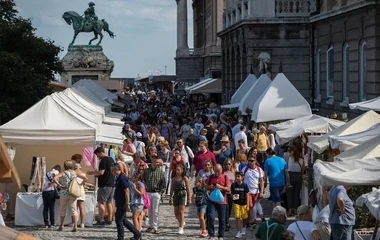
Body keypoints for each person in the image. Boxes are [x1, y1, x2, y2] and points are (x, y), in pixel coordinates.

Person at [112, 163, 142, 240]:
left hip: (123, 202)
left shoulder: (122, 178)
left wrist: (127, 203)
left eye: (112, 170)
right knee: (123, 220)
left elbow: (126, 191)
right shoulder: (119, 178)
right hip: (119, 202)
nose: (112, 172)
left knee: (119, 221)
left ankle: (120, 238)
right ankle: (137, 234)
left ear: (116, 169)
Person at [53, 160, 85, 232]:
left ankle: (61, 225)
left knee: (62, 210)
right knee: (74, 210)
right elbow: (85, 178)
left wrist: (59, 185)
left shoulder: (63, 173)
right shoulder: (75, 173)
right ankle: (75, 226)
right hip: (73, 193)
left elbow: (54, 178)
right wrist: (80, 184)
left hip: (64, 193)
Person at [88, 147, 115, 227]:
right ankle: (110, 219)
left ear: (100, 153)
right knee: (109, 202)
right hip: (111, 184)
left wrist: (93, 173)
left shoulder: (103, 160)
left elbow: (101, 172)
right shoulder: (111, 159)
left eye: (97, 155)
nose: (97, 157)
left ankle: (101, 220)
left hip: (104, 185)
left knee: (101, 202)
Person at [205, 164, 231, 240]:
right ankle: (211, 234)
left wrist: (221, 187)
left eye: (218, 171)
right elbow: (206, 186)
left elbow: (229, 189)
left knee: (222, 219)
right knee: (210, 217)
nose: (216, 173)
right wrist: (210, 187)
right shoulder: (211, 177)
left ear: (221, 170)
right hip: (212, 200)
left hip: (222, 201)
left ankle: (220, 235)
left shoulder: (225, 177)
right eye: (215, 171)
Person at [142, 155, 166, 234]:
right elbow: (143, 180)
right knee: (149, 210)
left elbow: (163, 183)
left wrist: (161, 192)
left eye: (157, 161)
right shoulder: (146, 171)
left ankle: (155, 226)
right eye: (155, 161)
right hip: (148, 192)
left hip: (156, 192)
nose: (156, 163)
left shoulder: (160, 171)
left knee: (155, 210)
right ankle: (150, 225)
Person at [169, 164, 191, 235]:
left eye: (179, 170)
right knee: (176, 213)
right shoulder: (173, 179)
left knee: (181, 211)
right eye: (176, 170)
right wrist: (170, 197)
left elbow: (188, 189)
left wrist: (189, 199)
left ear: (182, 171)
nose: (177, 171)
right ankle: (182, 221)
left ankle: (181, 227)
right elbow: (171, 188)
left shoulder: (185, 178)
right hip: (176, 195)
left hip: (183, 194)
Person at [72, 154, 88, 229]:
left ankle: (74, 223)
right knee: (81, 207)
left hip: (74, 190)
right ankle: (82, 223)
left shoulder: (73, 173)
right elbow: (84, 182)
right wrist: (81, 183)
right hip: (81, 189)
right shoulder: (83, 173)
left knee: (74, 207)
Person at [231, 171, 249, 238]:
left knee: (244, 218)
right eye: (236, 176)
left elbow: (247, 195)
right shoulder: (233, 185)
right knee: (237, 217)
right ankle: (239, 231)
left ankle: (243, 227)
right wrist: (234, 198)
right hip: (236, 204)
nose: (237, 178)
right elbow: (232, 192)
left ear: (242, 178)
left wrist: (247, 204)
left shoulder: (245, 185)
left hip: (243, 203)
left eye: (238, 176)